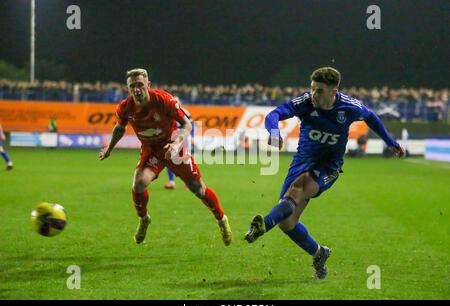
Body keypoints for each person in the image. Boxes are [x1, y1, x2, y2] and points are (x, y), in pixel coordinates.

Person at [244, 67, 404, 279]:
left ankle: (263, 225)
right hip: (301, 162)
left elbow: (371, 117)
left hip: (329, 166)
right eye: (312, 89)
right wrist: (274, 132)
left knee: (299, 188)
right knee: (288, 222)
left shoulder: (349, 107)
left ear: (333, 91)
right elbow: (274, 114)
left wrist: (391, 143)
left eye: (319, 90)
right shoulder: (306, 103)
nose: (313, 94)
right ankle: (320, 253)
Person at [99, 68, 232, 246]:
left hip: (173, 145)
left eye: (140, 85)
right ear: (128, 88)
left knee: (197, 189)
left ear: (148, 85)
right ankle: (144, 219)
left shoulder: (163, 100)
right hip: (151, 150)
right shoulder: (125, 107)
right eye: (133, 86)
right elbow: (120, 127)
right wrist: (110, 148)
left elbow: (186, 124)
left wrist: (177, 144)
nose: (137, 90)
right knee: (138, 183)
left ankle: (221, 219)